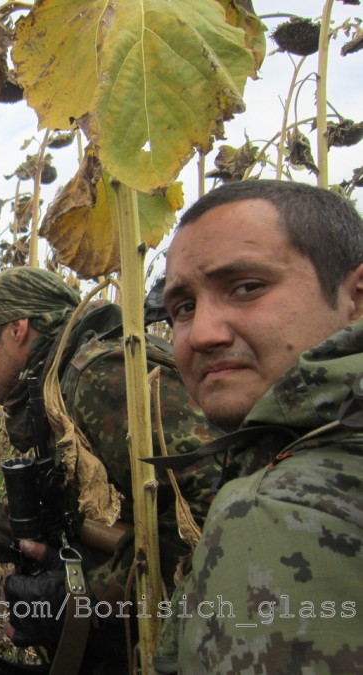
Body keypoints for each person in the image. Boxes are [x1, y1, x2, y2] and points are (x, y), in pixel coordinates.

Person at [0, 266, 220, 670]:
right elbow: (50, 524)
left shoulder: (97, 378)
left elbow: (215, 513)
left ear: (17, 329)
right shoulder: (55, 393)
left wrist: (83, 599)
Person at [152, 179, 363, 672]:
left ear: (356, 297)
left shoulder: (273, 511)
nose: (202, 334)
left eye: (247, 288)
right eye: (183, 308)